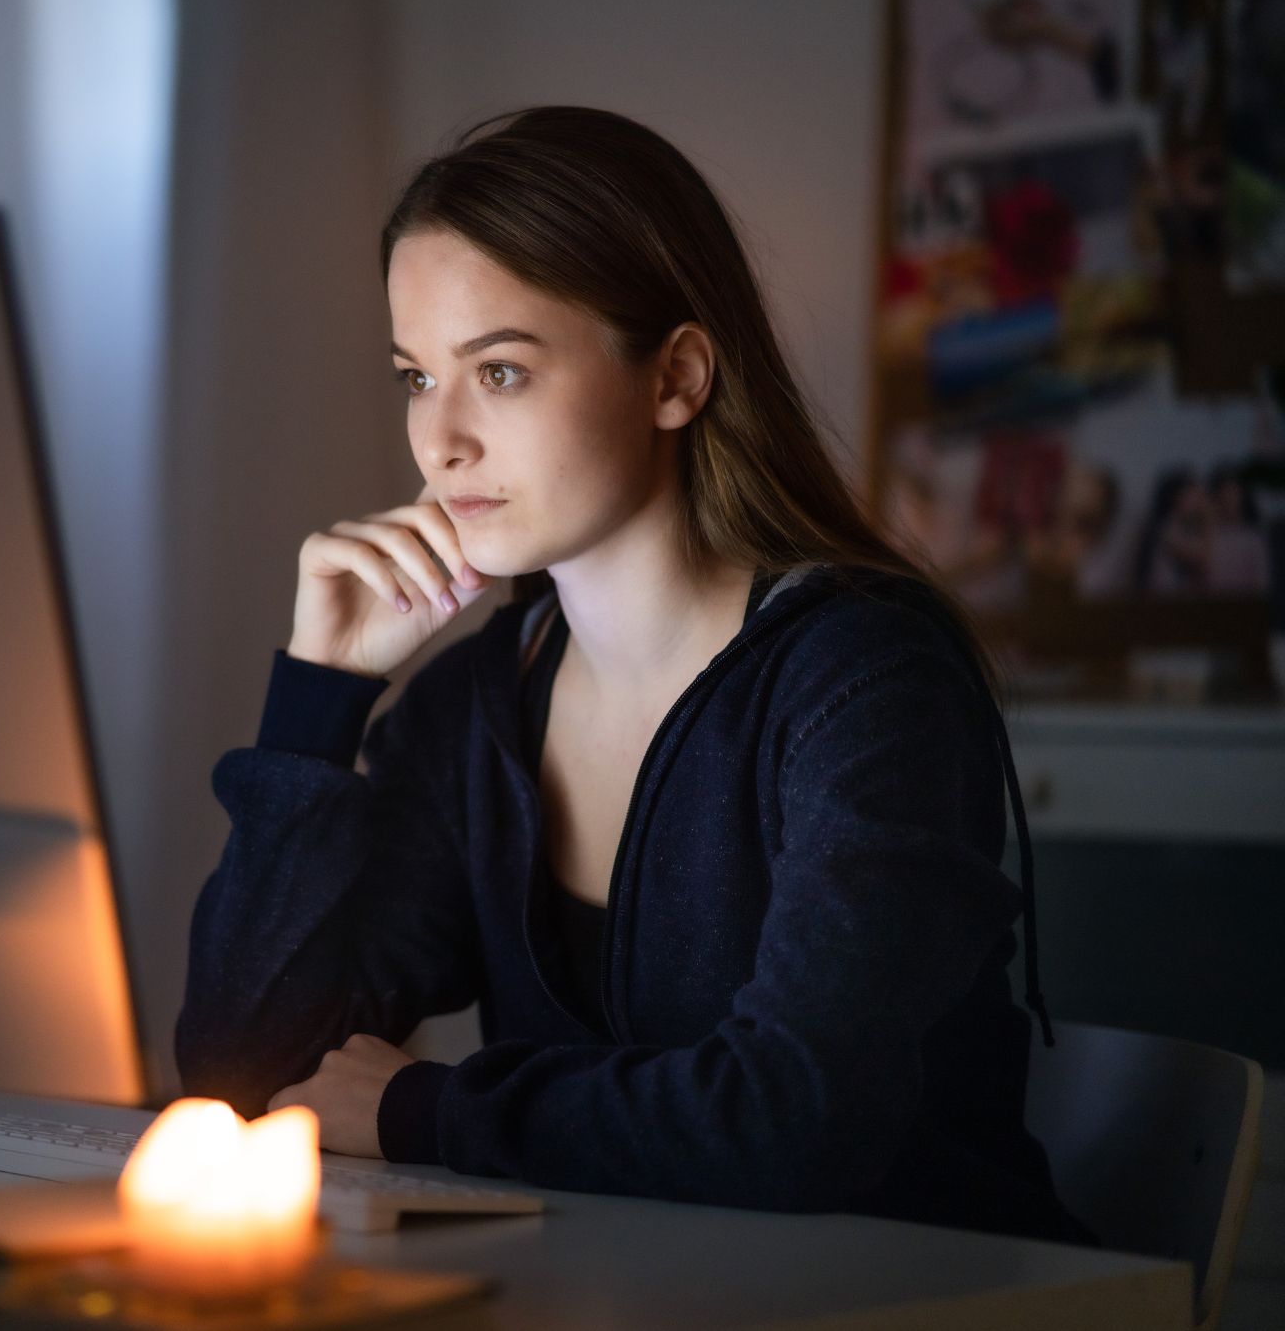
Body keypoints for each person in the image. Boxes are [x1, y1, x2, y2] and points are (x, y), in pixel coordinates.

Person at [175, 106, 1097, 1246]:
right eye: (416, 376)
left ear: (674, 377)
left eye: (499, 371)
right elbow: (238, 1075)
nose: (439, 440)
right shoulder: (476, 708)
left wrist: (425, 1107)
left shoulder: (864, 683)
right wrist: (316, 703)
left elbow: (796, 1122)